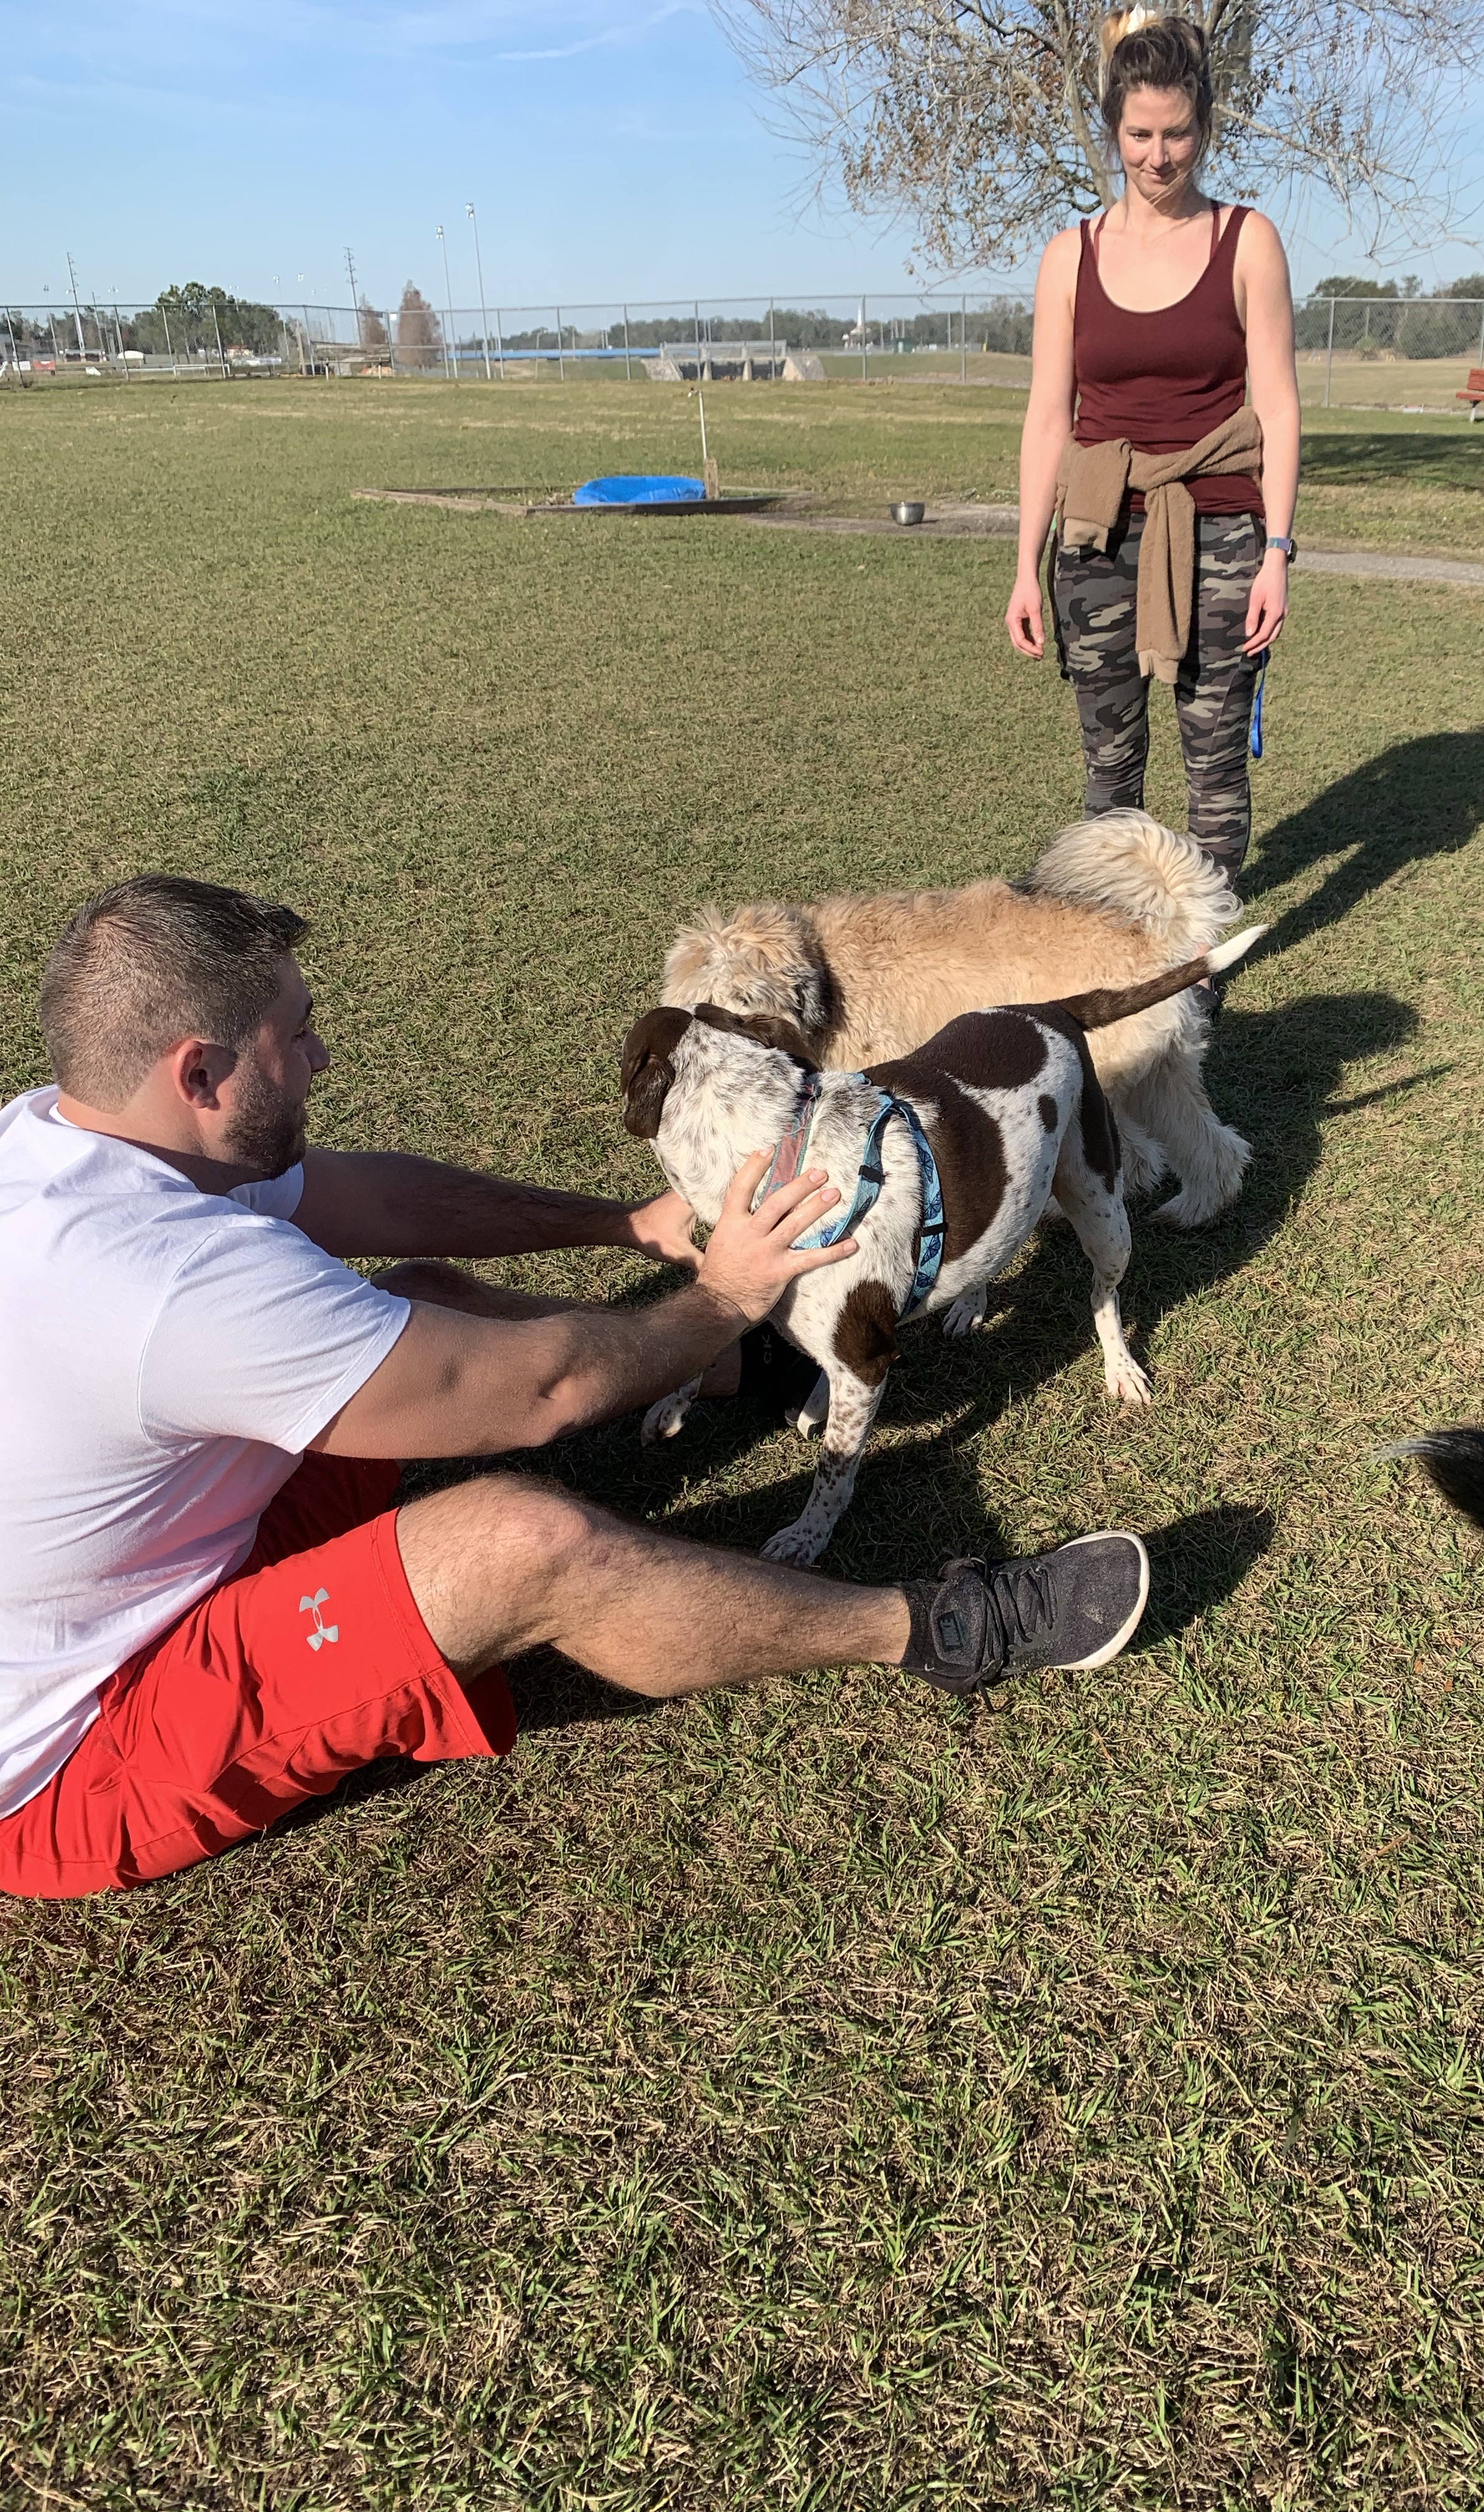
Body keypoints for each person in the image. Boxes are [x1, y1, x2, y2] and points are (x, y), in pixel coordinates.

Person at [0, 876, 1153, 1900]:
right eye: (295, 1038)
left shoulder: (65, 1142)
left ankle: (722, 1369)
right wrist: (724, 1294)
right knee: (522, 1542)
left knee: (419, 1289)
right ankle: (930, 1628)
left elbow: (385, 1207)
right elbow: (540, 1392)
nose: (321, 1060)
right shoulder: (168, 1284)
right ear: (197, 1071)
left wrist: (620, 1223)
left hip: (150, 1562)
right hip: (82, 1750)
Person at [1005, 8, 1302, 880]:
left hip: (1219, 533)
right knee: (1110, 773)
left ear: (1202, 125)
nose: (1159, 156)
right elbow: (1046, 418)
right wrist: (1026, 564)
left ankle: (1200, 975)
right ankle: (1119, 959)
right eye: (1139, 133)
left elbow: (1278, 409)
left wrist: (1277, 552)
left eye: (1177, 134)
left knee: (1212, 769)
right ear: (1114, 129)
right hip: (1096, 538)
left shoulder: (1247, 242)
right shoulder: (1070, 255)